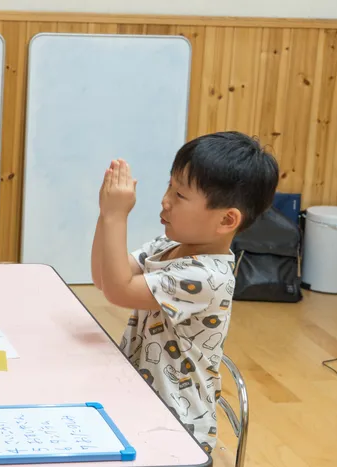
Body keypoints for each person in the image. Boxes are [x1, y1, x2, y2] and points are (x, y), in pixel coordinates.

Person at [91, 132, 279, 453]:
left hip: (176, 424)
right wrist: (105, 216)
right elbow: (104, 276)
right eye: (169, 186)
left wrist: (115, 215)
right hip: (141, 400)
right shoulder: (171, 246)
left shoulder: (205, 276)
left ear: (226, 219)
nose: (165, 200)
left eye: (179, 194)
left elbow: (119, 289)